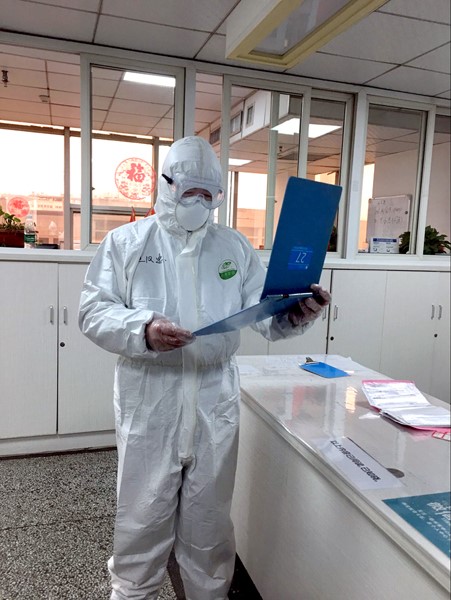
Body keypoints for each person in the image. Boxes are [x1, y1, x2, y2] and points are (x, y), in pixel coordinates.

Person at [79, 136, 331, 600]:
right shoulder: (127, 242)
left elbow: (263, 313)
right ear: (166, 185)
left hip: (215, 396)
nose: (197, 202)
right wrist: (143, 329)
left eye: (207, 194)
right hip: (150, 395)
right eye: (188, 191)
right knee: (142, 515)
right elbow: (93, 311)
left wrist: (296, 314)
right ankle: (132, 591)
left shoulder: (232, 246)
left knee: (209, 518)